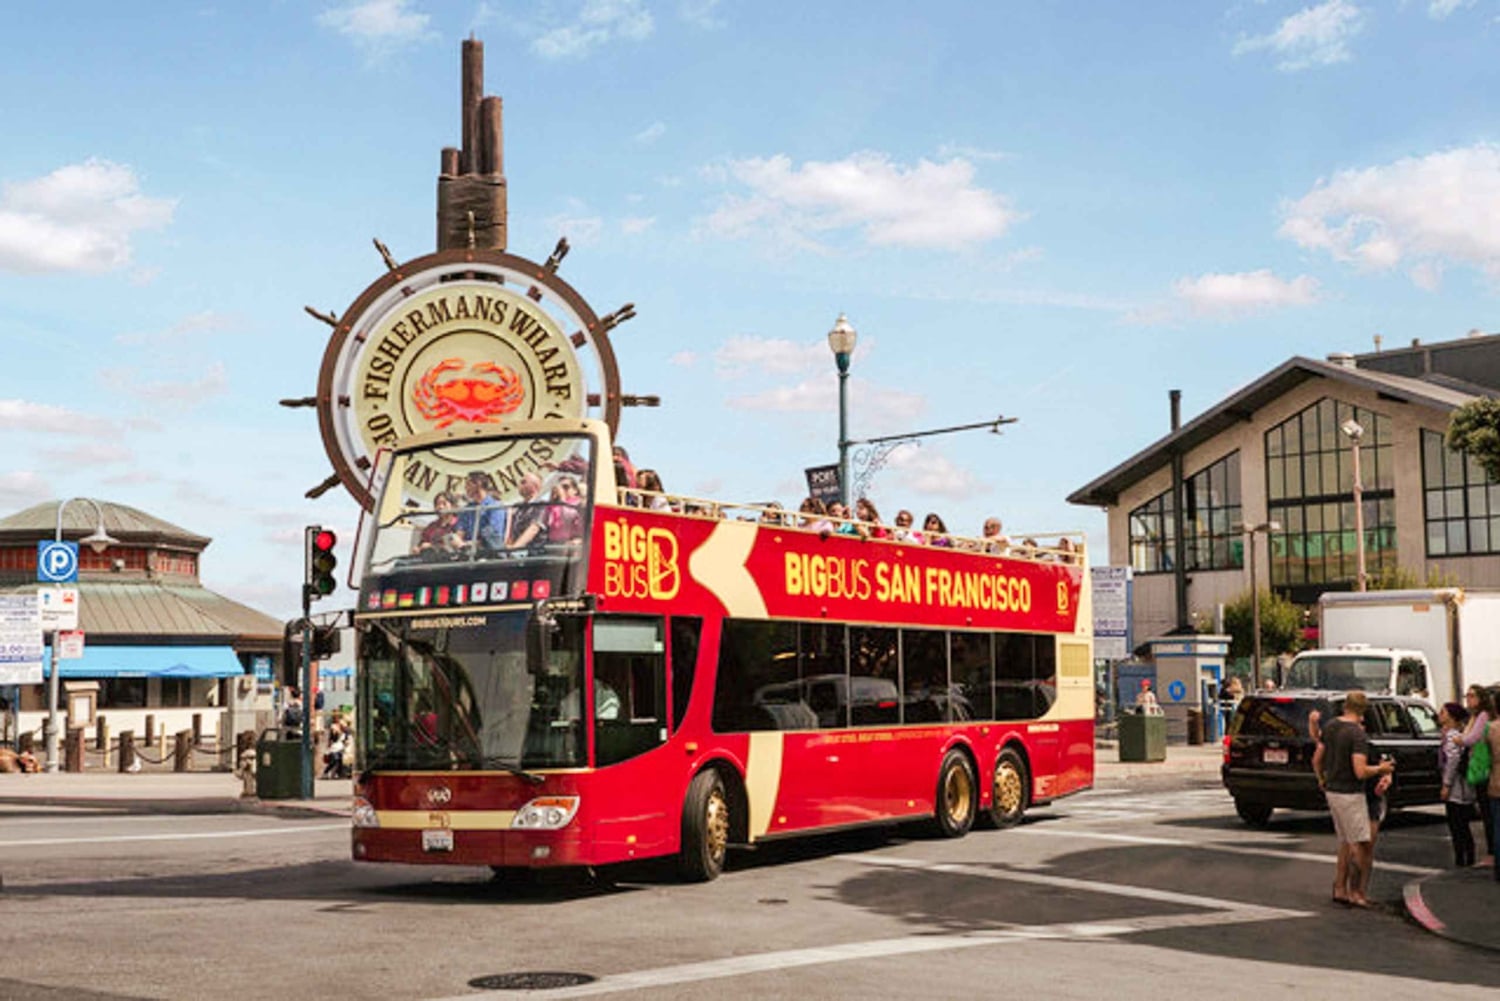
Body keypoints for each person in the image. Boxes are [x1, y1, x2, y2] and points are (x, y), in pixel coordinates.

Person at [1312, 690, 1395, 907]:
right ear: (1362, 711)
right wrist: (1381, 769)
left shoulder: (1330, 726)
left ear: (1345, 706)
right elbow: (1359, 771)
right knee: (1360, 843)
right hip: (1351, 792)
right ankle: (1356, 893)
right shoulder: (1357, 734)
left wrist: (1321, 778)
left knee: (1346, 841)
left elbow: (1317, 758)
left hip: (1333, 790)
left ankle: (1340, 888)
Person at [1438, 701, 1478, 868]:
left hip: (1457, 789)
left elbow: (1452, 761)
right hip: (1460, 787)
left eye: (1443, 712)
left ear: (1452, 717)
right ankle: (1466, 857)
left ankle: (1463, 859)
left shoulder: (1452, 736)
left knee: (1458, 825)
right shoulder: (1454, 734)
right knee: (1461, 825)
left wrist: (1446, 784)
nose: (1440, 714)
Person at [1458, 684, 1494, 865]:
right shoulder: (1474, 717)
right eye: (1467, 695)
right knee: (1486, 810)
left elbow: (1472, 738)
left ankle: (1492, 852)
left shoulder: (1483, 716)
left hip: (1484, 769)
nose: (1468, 699)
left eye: (1472, 696)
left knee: (1488, 811)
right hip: (1480, 767)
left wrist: (1460, 740)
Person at [414, 491, 467, 556]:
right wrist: (417, 548)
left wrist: (431, 546)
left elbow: (454, 546)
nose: (440, 507)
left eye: (444, 504)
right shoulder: (432, 526)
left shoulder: (459, 524)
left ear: (453, 506)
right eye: (437, 504)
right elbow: (422, 542)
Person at [507, 472, 550, 549]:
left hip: (535, 551)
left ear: (535, 487)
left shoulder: (542, 505)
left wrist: (515, 547)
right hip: (518, 553)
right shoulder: (518, 507)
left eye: (523, 482)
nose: (519, 484)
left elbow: (534, 529)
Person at [546, 476, 585, 543]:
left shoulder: (579, 504)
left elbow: (568, 518)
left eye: (566, 487)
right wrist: (552, 498)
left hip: (569, 543)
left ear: (575, 490)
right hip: (552, 542)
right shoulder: (556, 506)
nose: (562, 490)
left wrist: (562, 497)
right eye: (560, 487)